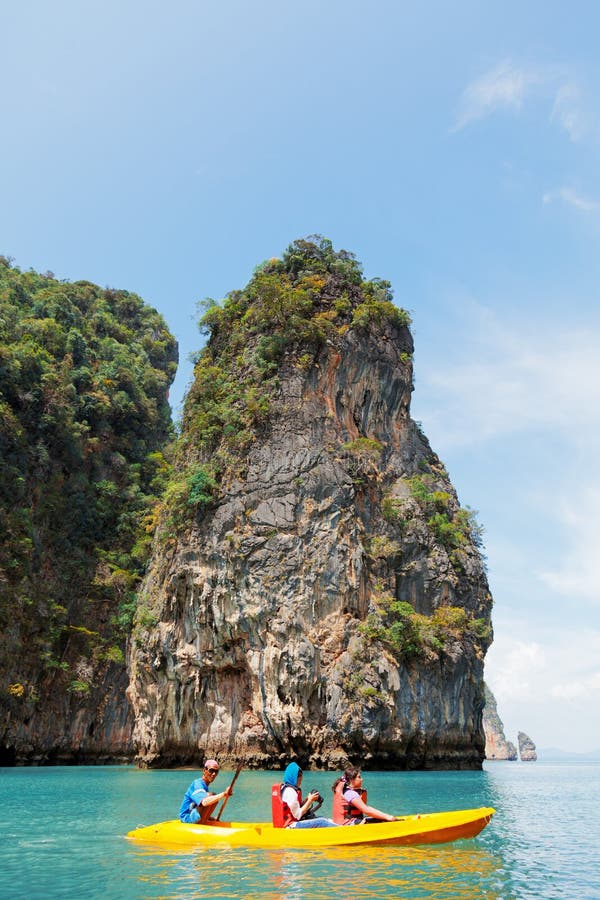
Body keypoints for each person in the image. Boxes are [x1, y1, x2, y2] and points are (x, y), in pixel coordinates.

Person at [272, 762, 337, 828]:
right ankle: (342, 829)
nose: (301, 781)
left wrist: (307, 799)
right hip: (291, 825)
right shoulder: (291, 792)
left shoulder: (286, 789)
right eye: (300, 779)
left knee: (322, 818)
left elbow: (296, 808)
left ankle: (339, 826)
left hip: (288, 823)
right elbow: (298, 815)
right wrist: (310, 801)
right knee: (322, 821)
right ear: (294, 778)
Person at [331, 767, 396, 824]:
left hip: (342, 823)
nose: (362, 779)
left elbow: (362, 809)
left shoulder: (344, 790)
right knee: (383, 820)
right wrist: (387, 817)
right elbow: (366, 810)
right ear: (351, 780)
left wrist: (363, 794)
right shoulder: (350, 793)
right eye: (359, 777)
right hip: (348, 825)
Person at [179, 759, 233, 824]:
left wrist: (211, 818)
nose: (214, 774)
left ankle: (205, 820)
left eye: (216, 771)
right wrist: (224, 794)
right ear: (204, 770)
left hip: (194, 816)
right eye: (211, 770)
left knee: (213, 797)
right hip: (186, 819)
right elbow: (204, 803)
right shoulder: (197, 784)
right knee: (211, 796)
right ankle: (202, 823)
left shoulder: (205, 787)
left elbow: (199, 808)